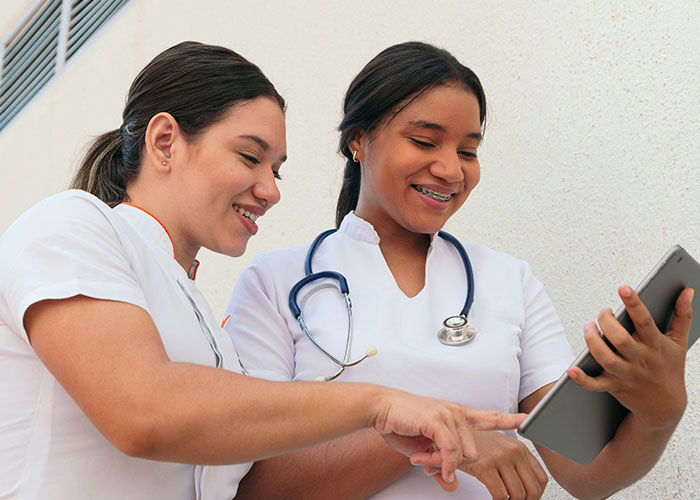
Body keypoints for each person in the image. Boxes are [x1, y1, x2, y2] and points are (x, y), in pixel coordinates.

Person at [0, 41, 525, 500]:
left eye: (276, 169)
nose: (271, 190)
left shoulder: (210, 334)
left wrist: (416, 433)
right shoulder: (70, 225)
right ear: (165, 142)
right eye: (250, 157)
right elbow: (144, 412)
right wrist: (381, 402)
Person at [224, 41, 694, 499]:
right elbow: (255, 485)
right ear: (358, 140)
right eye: (425, 141)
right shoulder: (274, 283)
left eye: (468, 152)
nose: (451, 169)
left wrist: (661, 412)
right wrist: (441, 438)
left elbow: (587, 476)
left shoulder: (511, 282)